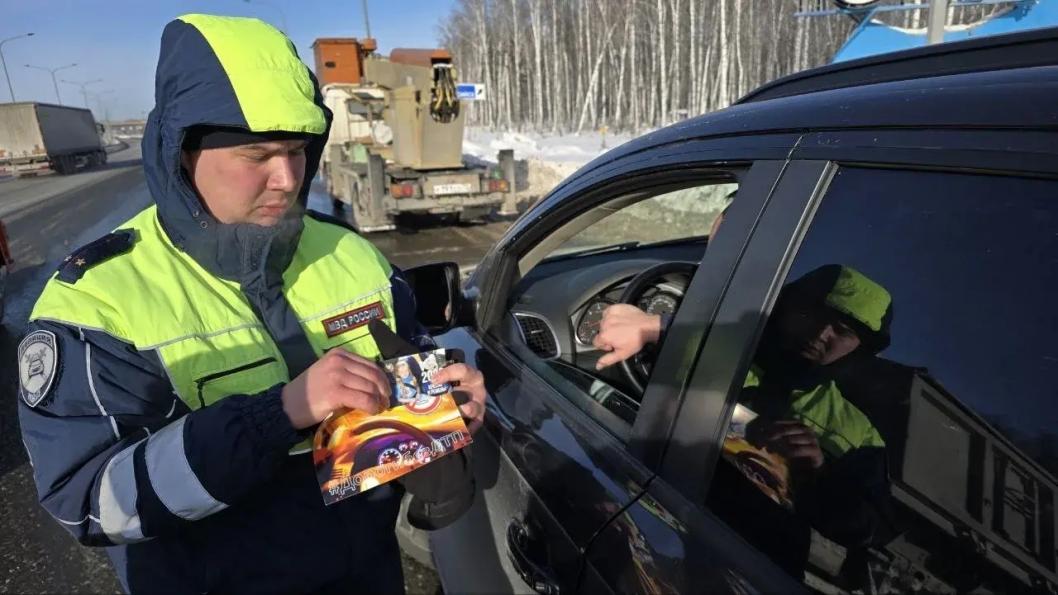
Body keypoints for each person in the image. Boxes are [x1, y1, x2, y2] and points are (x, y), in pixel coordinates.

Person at [16, 15, 486, 595]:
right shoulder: (96, 302)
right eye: (257, 155)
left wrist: (439, 394)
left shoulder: (349, 253)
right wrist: (277, 414)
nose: (287, 178)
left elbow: (403, 368)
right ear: (183, 152)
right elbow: (90, 500)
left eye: (296, 150)